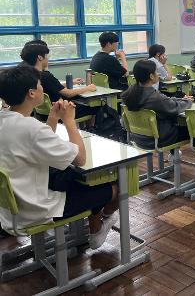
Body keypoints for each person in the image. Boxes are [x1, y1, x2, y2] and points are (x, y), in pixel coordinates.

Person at [0, 66, 119, 249]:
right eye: (40, 85)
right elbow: (80, 158)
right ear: (31, 93)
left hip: (10, 209)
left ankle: (91, 226)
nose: (43, 88)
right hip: (36, 209)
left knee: (72, 177)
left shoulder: (8, 120)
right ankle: (97, 228)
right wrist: (70, 121)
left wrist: (53, 118)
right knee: (114, 187)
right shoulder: (31, 128)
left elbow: (37, 145)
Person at [121, 60, 192, 149]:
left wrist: (176, 99)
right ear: (151, 76)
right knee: (194, 131)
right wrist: (188, 101)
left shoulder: (128, 94)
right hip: (157, 139)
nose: (158, 74)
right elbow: (175, 108)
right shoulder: (155, 97)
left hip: (136, 137)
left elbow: (166, 102)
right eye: (156, 71)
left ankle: (174, 158)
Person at [20, 42, 97, 121]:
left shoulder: (28, 74)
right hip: (59, 112)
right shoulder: (45, 75)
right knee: (95, 107)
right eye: (46, 55)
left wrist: (70, 83)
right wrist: (88, 88)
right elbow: (68, 93)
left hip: (42, 114)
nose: (48, 58)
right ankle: (95, 130)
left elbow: (52, 86)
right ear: (40, 57)